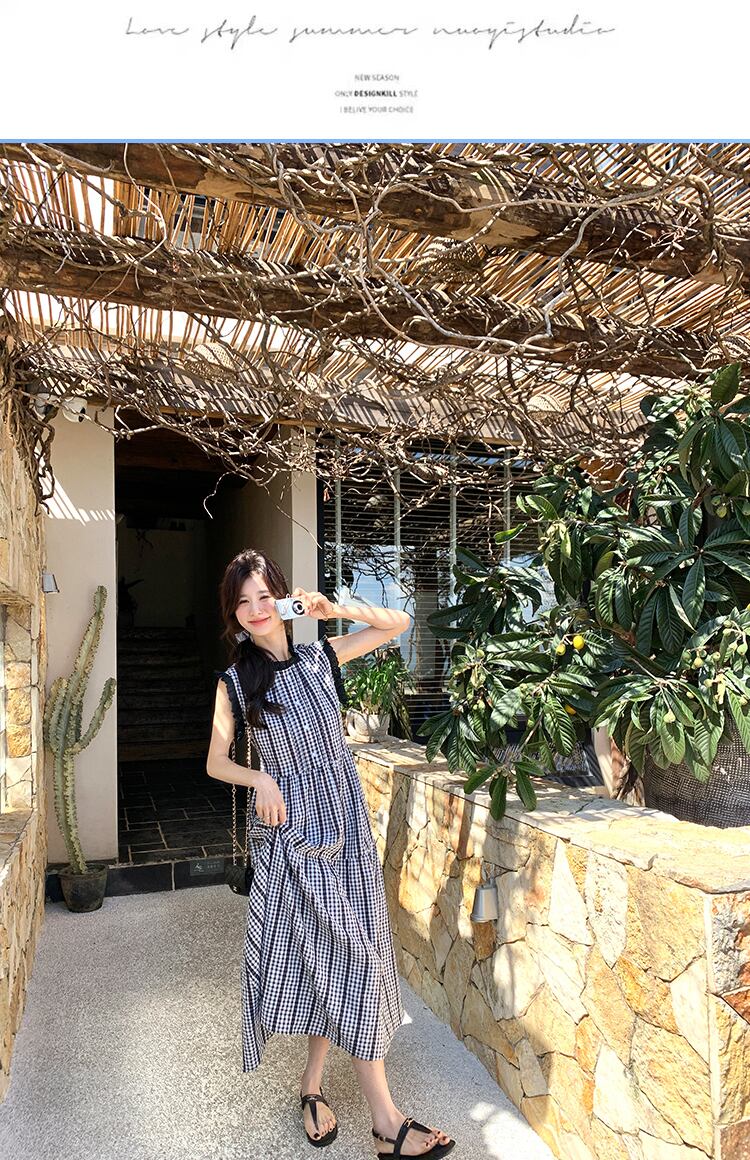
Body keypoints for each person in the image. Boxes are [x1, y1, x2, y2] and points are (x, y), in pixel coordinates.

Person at [207, 548, 456, 1158]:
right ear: (233, 614)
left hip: (346, 829)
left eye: (264, 596)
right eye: (243, 603)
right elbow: (215, 761)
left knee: (337, 963)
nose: (256, 610)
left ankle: (311, 1087)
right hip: (293, 841)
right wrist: (259, 779)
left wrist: (333, 607)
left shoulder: (322, 655)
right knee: (354, 964)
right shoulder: (235, 682)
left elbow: (399, 623)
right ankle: (387, 1123)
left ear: (282, 597)